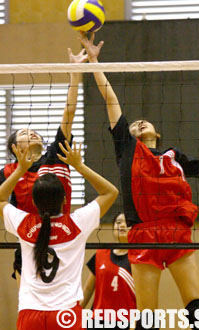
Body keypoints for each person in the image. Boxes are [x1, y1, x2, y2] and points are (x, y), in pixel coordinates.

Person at [79, 32, 199, 330]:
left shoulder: (173, 155)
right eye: (135, 123)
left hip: (176, 230)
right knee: (147, 315)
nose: (139, 122)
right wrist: (93, 63)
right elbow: (111, 99)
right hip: (142, 232)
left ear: (157, 133)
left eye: (146, 122)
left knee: (197, 306)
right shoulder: (127, 149)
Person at [0, 140, 118, 330]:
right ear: (64, 199)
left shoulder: (23, 223)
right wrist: (79, 165)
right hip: (66, 315)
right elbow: (110, 192)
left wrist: (21, 170)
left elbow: (0, 198)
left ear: (34, 202)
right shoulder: (77, 223)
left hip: (30, 315)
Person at [0, 47, 88, 284]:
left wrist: (75, 73)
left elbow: (68, 113)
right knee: (31, 300)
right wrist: (19, 170)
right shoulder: (7, 174)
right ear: (14, 147)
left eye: (34, 131)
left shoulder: (55, 157)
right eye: (25, 133)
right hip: (29, 240)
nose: (32, 133)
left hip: (64, 235)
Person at [82, 213, 136, 330]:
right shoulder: (101, 253)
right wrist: (75, 313)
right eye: (118, 222)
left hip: (126, 322)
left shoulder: (139, 258)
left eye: (127, 223)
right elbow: (88, 289)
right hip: (97, 320)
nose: (122, 225)